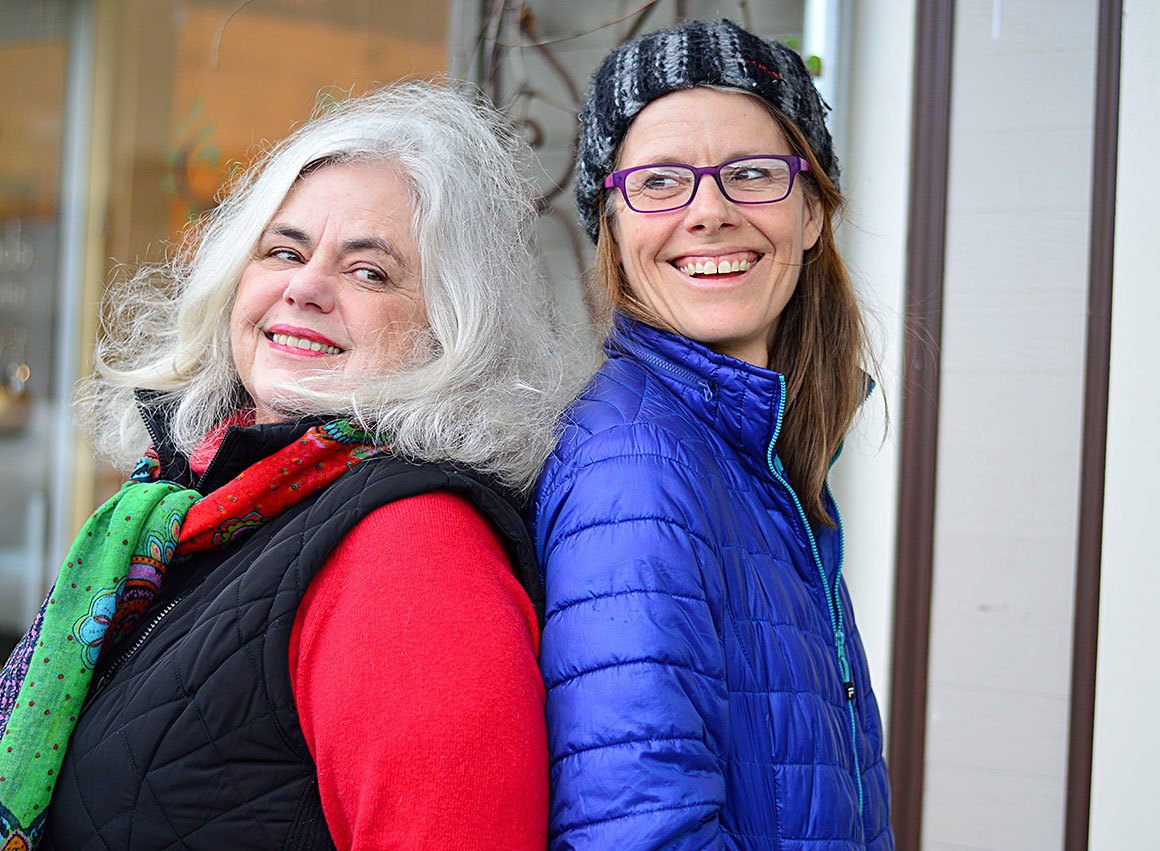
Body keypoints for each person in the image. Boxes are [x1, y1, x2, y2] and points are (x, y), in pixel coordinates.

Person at [0, 81, 574, 850]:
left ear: (450, 329)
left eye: (369, 272)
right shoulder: (200, 507)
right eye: (284, 251)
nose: (305, 287)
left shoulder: (413, 547)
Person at [531, 19, 893, 849]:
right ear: (613, 225)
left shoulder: (751, 454)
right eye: (659, 181)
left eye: (752, 173)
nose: (709, 213)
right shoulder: (636, 468)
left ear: (811, 212)